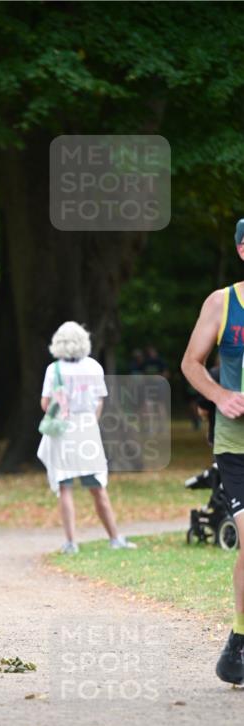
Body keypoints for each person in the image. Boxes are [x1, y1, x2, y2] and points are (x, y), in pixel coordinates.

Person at [181, 219, 244, 686]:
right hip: (237, 444)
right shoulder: (223, 303)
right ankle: (240, 644)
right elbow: (190, 362)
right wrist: (220, 396)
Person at [37, 321, 137, 554]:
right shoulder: (94, 367)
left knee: (65, 486)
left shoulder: (54, 370)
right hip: (87, 430)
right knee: (97, 487)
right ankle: (114, 537)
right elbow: (100, 400)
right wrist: (90, 422)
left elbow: (45, 403)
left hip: (63, 430)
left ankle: (71, 542)